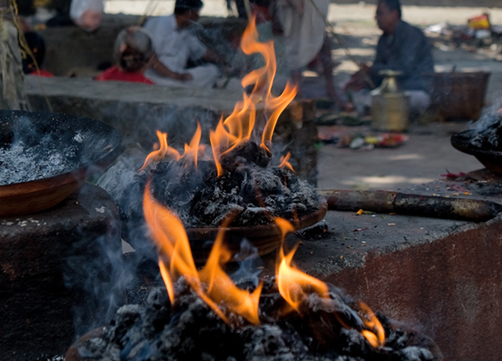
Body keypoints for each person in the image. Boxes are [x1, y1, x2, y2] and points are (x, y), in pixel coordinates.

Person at [345, 0, 434, 111]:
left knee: (374, 102)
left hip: (415, 90)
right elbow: (379, 75)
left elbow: (403, 69)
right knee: (353, 93)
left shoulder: (411, 35)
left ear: (395, 14)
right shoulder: (383, 39)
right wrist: (364, 80)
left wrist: (371, 70)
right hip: (392, 93)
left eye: (380, 13)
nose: (376, 18)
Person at [143, 0, 225, 88]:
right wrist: (174, 76)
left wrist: (225, 62)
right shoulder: (158, 25)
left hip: (179, 77)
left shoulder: (187, 32)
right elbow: (150, 57)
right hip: (157, 77)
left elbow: (203, 52)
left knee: (212, 71)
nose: (197, 17)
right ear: (188, 13)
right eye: (196, 13)